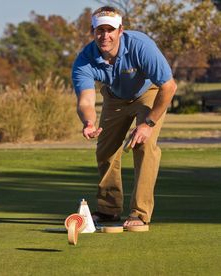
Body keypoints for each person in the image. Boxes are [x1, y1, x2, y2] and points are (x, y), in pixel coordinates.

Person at [72, 6, 177, 227]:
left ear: (121, 30)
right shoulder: (84, 59)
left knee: (143, 145)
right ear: (93, 31)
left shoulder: (141, 46)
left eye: (110, 30)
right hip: (114, 97)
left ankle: (140, 213)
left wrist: (148, 123)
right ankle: (108, 210)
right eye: (100, 30)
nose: (105, 36)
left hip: (149, 93)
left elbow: (169, 86)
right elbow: (86, 101)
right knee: (105, 150)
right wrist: (89, 121)